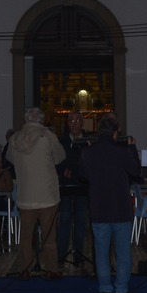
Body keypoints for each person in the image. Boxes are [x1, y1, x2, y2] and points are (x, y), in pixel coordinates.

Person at [82, 116, 143, 293]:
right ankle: (121, 290)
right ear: (116, 132)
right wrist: (132, 148)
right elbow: (136, 172)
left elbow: (82, 175)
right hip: (120, 207)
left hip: (99, 207)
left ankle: (105, 289)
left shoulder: (88, 152)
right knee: (123, 251)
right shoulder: (122, 151)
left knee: (101, 251)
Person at [7, 108, 65, 277]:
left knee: (26, 236)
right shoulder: (47, 136)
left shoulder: (15, 138)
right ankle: (51, 269)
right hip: (47, 195)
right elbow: (60, 157)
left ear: (26, 119)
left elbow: (10, 159)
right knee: (49, 236)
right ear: (41, 119)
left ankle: (24, 268)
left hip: (25, 195)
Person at [56, 111, 92, 269]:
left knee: (80, 222)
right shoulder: (61, 141)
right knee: (64, 221)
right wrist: (63, 169)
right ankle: (61, 255)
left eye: (77, 120)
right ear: (67, 123)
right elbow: (56, 160)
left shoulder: (89, 140)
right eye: (71, 120)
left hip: (82, 186)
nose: (75, 123)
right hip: (66, 186)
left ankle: (79, 256)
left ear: (82, 123)